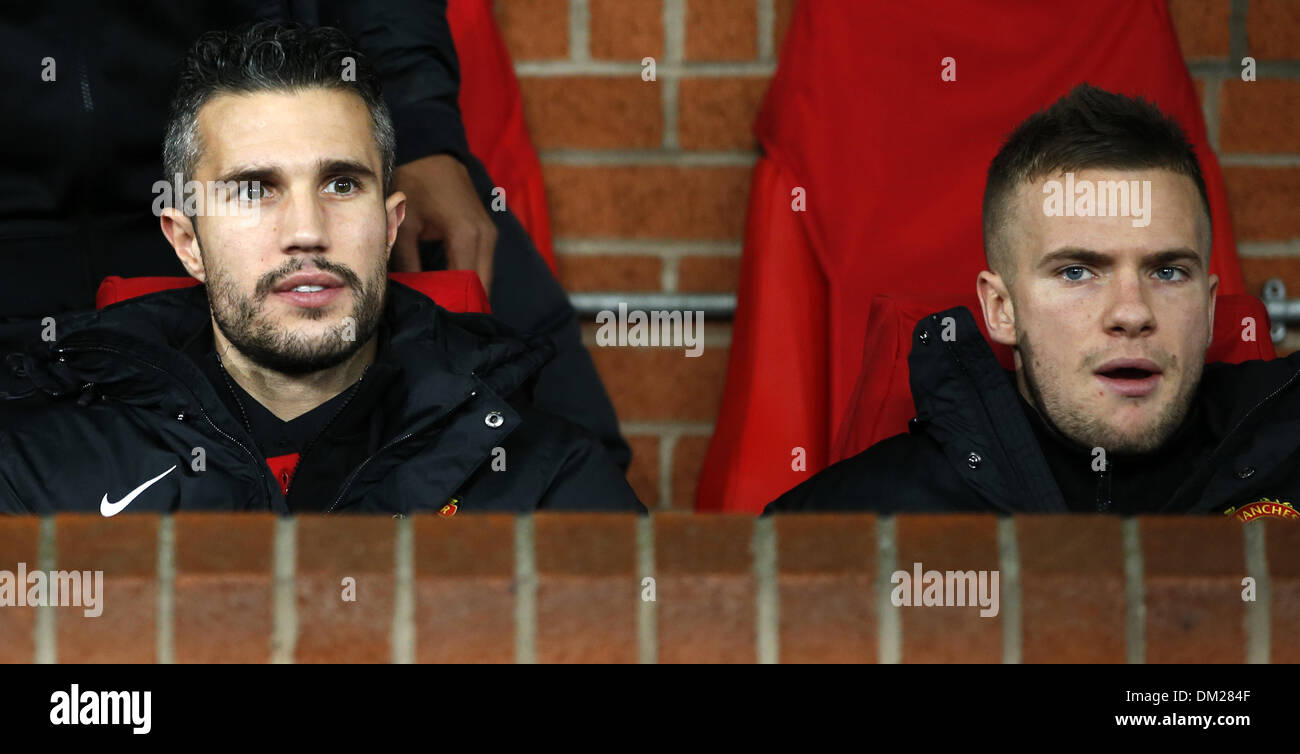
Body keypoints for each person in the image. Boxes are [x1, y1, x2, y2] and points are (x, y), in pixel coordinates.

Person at [0, 23, 642, 515]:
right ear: (185, 239)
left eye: (340, 184)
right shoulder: (40, 476)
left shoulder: (545, 480)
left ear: (392, 227)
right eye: (254, 189)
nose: (307, 232)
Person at [767, 84, 1300, 517]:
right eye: (1077, 272)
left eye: (1166, 271)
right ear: (1001, 309)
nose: (1132, 313)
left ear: (1208, 308)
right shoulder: (856, 524)